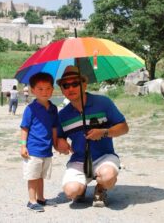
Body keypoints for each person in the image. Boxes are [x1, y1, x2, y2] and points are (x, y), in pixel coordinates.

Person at [55, 65, 129, 208]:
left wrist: (104, 132)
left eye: (75, 83)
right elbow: (58, 139)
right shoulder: (63, 115)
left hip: (104, 156)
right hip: (78, 161)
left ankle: (101, 188)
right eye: (66, 85)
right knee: (71, 192)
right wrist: (60, 143)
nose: (70, 88)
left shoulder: (103, 103)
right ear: (62, 89)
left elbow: (124, 128)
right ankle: (80, 189)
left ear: (84, 84)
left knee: (107, 177)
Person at [20, 72, 59, 212]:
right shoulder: (30, 108)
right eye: (40, 89)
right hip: (33, 149)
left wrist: (55, 142)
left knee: (41, 176)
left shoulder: (53, 108)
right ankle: (31, 201)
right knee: (32, 176)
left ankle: (41, 198)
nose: (45, 92)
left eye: (48, 88)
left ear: (52, 90)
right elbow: (24, 128)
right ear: (33, 90)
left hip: (47, 149)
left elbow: (54, 127)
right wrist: (23, 146)